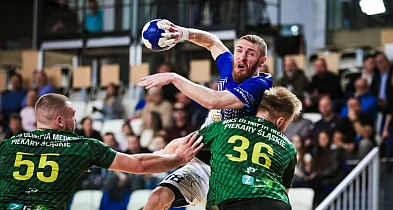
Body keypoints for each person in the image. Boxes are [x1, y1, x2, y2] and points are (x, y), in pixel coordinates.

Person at [139, 19, 273, 209]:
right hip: (204, 159)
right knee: (157, 198)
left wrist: (174, 77)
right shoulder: (230, 64)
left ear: (262, 62)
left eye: (250, 54)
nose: (242, 57)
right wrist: (182, 33)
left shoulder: (259, 85)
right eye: (239, 50)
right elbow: (212, 41)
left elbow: (214, 101)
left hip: (232, 172)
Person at [0, 93, 203, 210]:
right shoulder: (81, 145)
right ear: (60, 121)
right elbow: (138, 164)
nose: (76, 121)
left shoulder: (7, 145)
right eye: (72, 115)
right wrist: (177, 159)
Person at [157, 87, 302, 210]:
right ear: (280, 121)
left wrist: (162, 154)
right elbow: (285, 191)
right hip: (278, 204)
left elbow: (181, 143)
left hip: (237, 200)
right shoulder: (289, 147)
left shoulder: (227, 126)